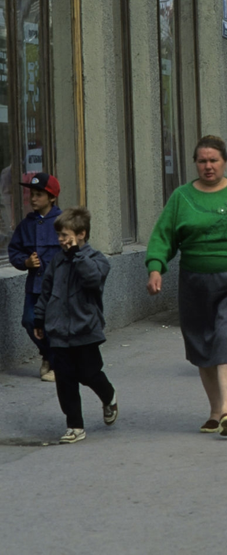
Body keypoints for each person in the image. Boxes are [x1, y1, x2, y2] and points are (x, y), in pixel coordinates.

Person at [146, 135, 227, 436]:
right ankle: (215, 410)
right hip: (195, 283)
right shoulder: (181, 197)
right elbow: (163, 237)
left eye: (214, 160)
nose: (208, 166)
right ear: (195, 163)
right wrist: (156, 268)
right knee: (202, 344)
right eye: (202, 161)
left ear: (224, 163)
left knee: (226, 338)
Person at [32, 207, 117, 444]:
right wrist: (39, 319)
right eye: (59, 235)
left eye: (65, 235)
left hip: (85, 329)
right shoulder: (57, 262)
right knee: (65, 379)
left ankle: (108, 395)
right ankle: (75, 426)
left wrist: (77, 256)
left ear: (81, 234)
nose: (60, 240)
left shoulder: (96, 259)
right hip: (58, 331)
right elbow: (46, 292)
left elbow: (92, 280)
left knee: (89, 374)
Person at [9, 172, 64, 382]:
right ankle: (49, 357)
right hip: (34, 287)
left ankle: (56, 364)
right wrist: (25, 262)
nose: (33, 198)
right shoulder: (26, 224)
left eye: (39, 194)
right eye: (32, 194)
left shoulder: (61, 221)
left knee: (53, 326)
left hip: (56, 287)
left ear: (51, 198)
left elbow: (72, 250)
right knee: (29, 321)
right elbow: (14, 251)